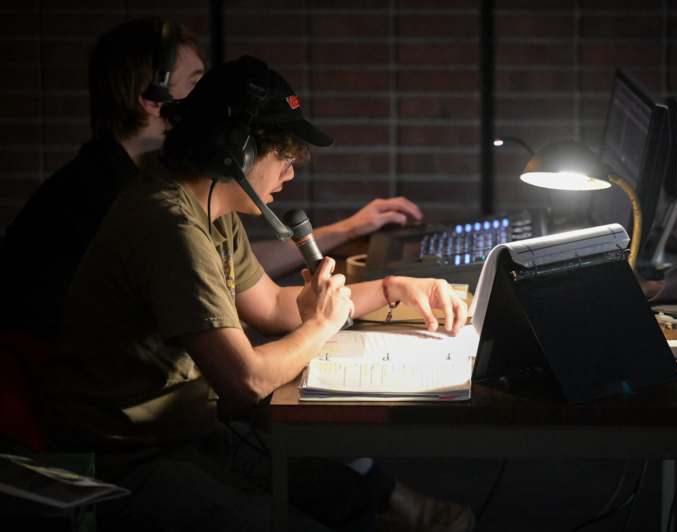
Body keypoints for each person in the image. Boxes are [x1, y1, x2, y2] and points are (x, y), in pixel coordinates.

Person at [41, 55, 474, 532]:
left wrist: (393, 288)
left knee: (340, 484)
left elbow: (270, 305)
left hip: (188, 432)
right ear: (235, 156)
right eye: (283, 158)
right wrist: (323, 324)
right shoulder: (170, 224)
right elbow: (246, 381)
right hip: (127, 459)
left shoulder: (210, 210)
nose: (289, 175)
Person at [0, 16, 422, 341]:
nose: (209, 104)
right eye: (195, 85)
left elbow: (247, 281)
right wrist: (321, 325)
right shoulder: (117, 196)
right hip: (85, 419)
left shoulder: (171, 181)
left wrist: (363, 253)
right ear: (151, 99)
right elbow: (242, 374)